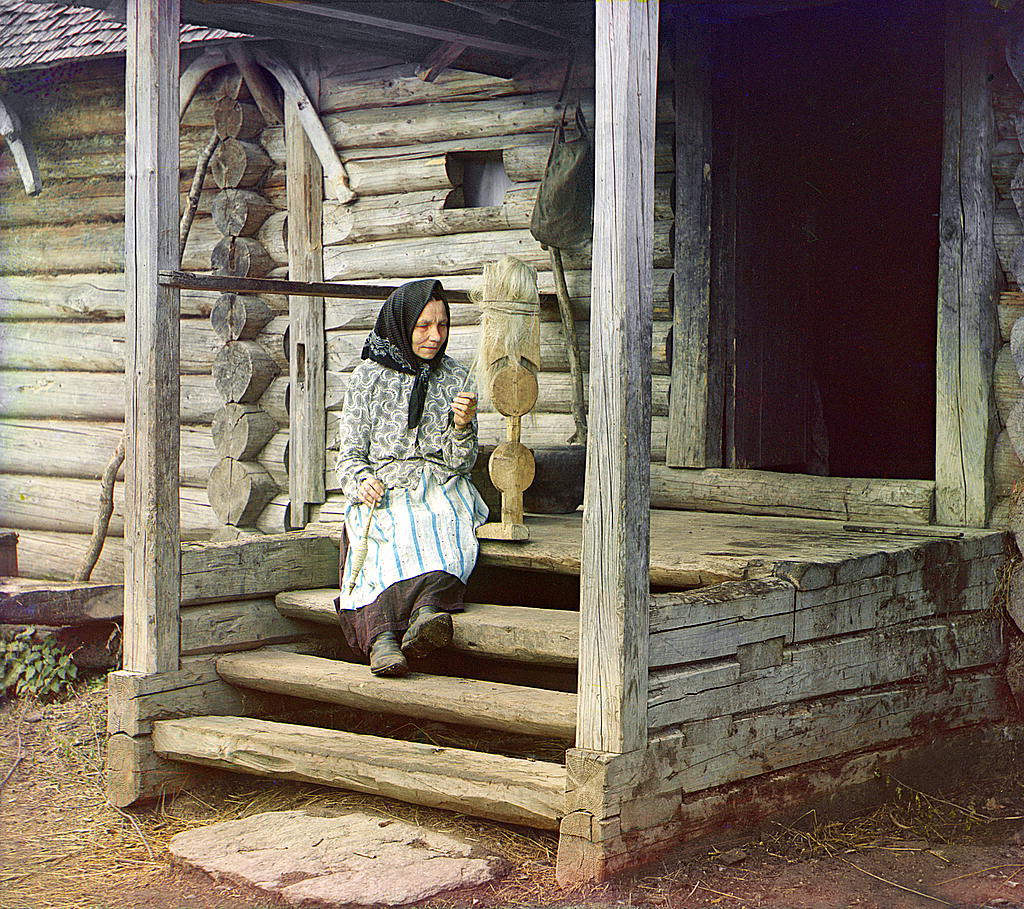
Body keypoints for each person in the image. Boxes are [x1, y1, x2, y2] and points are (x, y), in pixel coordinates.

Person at [333, 278, 489, 677]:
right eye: (424, 325)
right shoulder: (367, 378)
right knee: (386, 526)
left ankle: (426, 617)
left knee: (439, 516)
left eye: (443, 325)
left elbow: (460, 464)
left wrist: (462, 428)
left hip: (438, 481)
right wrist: (361, 480)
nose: (435, 336)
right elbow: (349, 454)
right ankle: (382, 640)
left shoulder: (455, 378)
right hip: (383, 485)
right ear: (402, 324)